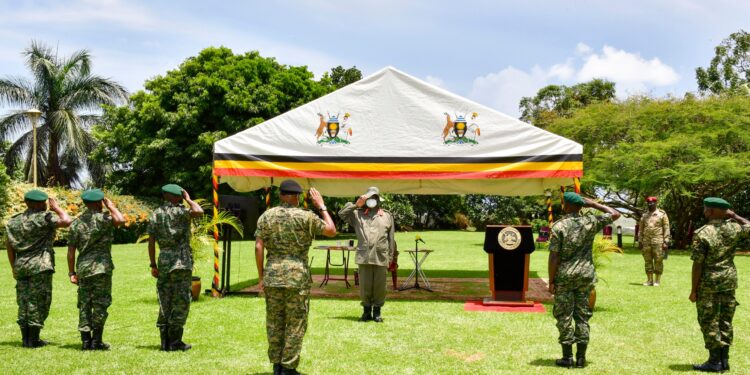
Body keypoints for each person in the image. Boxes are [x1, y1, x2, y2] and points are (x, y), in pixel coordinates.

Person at [255, 181, 336, 375]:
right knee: (296, 322)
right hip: (296, 277)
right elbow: (331, 230)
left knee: (275, 322)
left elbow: (258, 247)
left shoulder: (266, 216)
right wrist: (322, 206)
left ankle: (277, 366)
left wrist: (261, 277)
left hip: (273, 275)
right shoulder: (305, 216)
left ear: (282, 195)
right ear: (297, 197)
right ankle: (288, 367)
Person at [548, 192, 620, 368]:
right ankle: (581, 358)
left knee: (564, 316)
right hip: (585, 276)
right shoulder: (591, 222)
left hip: (565, 277)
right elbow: (615, 214)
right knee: (582, 316)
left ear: (566, 206)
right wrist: (593, 204)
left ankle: (567, 357)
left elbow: (554, 257)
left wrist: (551, 280)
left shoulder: (559, 226)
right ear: (581, 206)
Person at [5, 189, 72, 348]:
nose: (45, 205)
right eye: (43, 203)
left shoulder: (13, 221)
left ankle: (25, 338)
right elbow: (67, 221)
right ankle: (34, 339)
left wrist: (13, 266)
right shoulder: (45, 218)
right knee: (39, 300)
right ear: (36, 203)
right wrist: (56, 208)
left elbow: (9, 246)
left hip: (21, 265)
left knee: (24, 301)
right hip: (40, 265)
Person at [689, 197, 749, 372]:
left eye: (706, 208)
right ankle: (724, 360)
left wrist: (694, 290)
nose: (704, 211)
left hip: (709, 283)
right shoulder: (735, 228)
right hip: (729, 280)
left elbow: (698, 264)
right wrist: (735, 215)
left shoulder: (702, 233)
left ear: (711, 211)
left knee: (709, 321)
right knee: (725, 320)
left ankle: (715, 362)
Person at [67, 189, 125, 350]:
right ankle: (96, 341)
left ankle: (85, 341)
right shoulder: (105, 219)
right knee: (100, 304)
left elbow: (71, 251)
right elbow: (120, 221)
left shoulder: (77, 222)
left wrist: (71, 272)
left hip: (83, 268)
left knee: (84, 304)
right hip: (101, 268)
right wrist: (111, 207)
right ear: (100, 202)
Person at [147, 184, 203, 351]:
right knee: (181, 300)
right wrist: (188, 199)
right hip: (181, 260)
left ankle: (164, 342)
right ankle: (175, 342)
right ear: (177, 196)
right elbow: (199, 211)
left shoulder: (155, 214)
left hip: (164, 259)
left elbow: (151, 242)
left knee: (164, 300)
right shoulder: (182, 212)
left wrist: (153, 264)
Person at [338, 186, 396, 323]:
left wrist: (391, 257)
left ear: (378, 199)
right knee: (365, 285)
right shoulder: (357, 214)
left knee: (380, 286)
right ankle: (366, 311)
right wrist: (356, 205)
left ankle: (377, 312)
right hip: (364, 256)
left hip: (381, 256)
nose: (372, 200)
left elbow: (391, 239)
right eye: (369, 198)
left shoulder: (387, 216)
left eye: (374, 198)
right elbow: (342, 214)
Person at [638, 196, 671, 286]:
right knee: (647, 261)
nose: (650, 204)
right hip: (646, 242)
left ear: (656, 203)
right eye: (649, 203)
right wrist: (640, 241)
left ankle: (657, 280)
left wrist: (666, 241)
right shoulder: (644, 215)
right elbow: (641, 229)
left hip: (658, 241)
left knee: (658, 260)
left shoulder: (662, 214)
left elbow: (666, 227)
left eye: (652, 203)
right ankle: (649, 280)